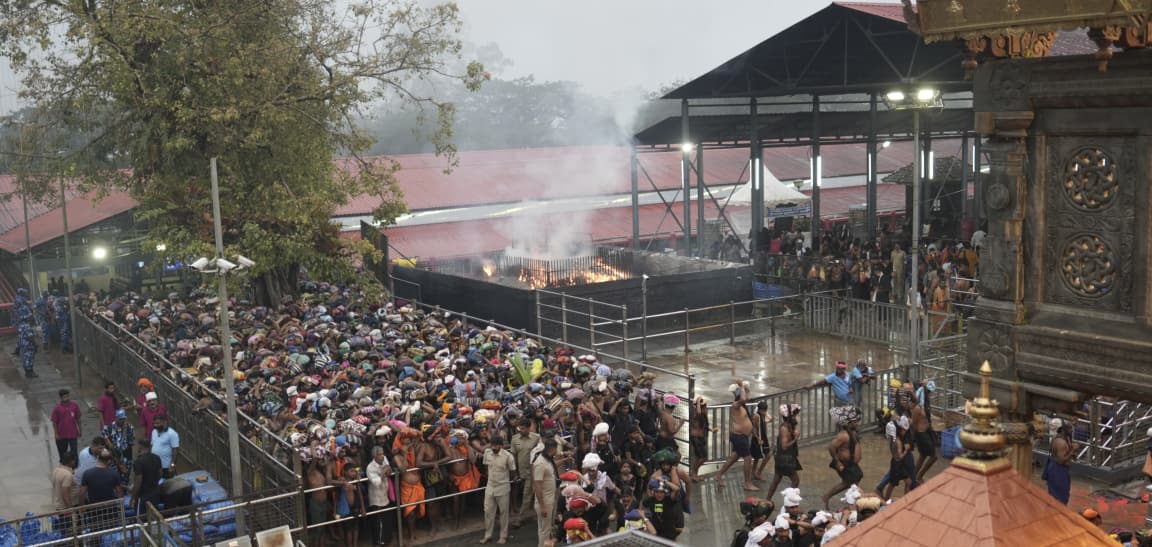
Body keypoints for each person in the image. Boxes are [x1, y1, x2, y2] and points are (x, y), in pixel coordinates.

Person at [715, 381, 759, 491]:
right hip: (738, 436)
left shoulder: (741, 405)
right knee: (748, 458)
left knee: (734, 458)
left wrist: (745, 387)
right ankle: (747, 484)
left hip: (741, 436)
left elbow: (745, 397)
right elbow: (743, 399)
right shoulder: (735, 405)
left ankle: (718, 475)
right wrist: (741, 386)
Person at [821, 406, 863, 510]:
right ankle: (850, 503)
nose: (858, 424)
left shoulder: (853, 433)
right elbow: (831, 447)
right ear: (849, 423)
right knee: (851, 484)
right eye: (856, 422)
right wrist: (838, 462)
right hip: (844, 464)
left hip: (851, 463)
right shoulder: (843, 435)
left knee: (851, 481)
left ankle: (828, 497)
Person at [482, 434, 516, 544]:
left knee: (503, 513)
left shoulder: (508, 456)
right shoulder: (487, 453)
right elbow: (486, 467)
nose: (493, 448)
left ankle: (503, 536)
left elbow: (512, 472)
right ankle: (488, 535)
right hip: (490, 486)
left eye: (496, 446)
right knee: (488, 512)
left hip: (503, 487)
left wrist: (506, 481)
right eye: (492, 445)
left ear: (501, 446)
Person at [767, 404, 802, 497]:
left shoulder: (789, 426)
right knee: (795, 480)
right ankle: (789, 500)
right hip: (785, 459)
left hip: (785, 457)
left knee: (776, 480)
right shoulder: (784, 428)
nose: (795, 417)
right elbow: (784, 446)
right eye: (794, 415)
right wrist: (795, 439)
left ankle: (768, 499)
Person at [510, 418, 540, 529]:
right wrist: (515, 473)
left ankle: (520, 519)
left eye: (522, 428)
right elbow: (513, 457)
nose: (520, 430)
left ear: (528, 428)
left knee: (527, 495)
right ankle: (536, 513)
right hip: (521, 472)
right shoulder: (514, 439)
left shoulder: (536, 438)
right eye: (519, 428)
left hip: (535, 471)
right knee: (529, 494)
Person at [365, 445, 394, 547]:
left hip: (385, 496)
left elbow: (389, 470)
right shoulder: (370, 467)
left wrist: (387, 469)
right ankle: (378, 543)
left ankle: (387, 541)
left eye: (383, 454)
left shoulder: (384, 460)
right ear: (374, 456)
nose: (382, 456)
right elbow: (376, 482)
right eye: (380, 454)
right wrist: (383, 472)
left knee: (387, 522)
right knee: (378, 523)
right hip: (376, 499)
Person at [533, 438, 559, 547]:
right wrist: (543, 506)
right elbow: (537, 486)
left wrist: (565, 460)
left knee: (543, 528)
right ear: (552, 449)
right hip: (545, 501)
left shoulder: (547, 459)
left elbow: (550, 469)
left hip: (547, 499)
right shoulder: (541, 462)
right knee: (546, 530)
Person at [1043, 419, 1074, 505]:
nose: (1072, 430)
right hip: (1058, 471)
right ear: (1063, 429)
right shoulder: (1060, 442)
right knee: (1058, 498)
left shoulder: (1064, 439)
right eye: (1069, 428)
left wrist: (1071, 452)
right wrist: (1072, 452)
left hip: (1060, 470)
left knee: (1061, 495)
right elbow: (1061, 460)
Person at [102, 409, 135, 485]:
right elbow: (106, 443)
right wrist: (118, 462)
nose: (122, 421)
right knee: (113, 479)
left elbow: (131, 443)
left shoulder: (130, 428)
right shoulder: (108, 428)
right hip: (113, 458)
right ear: (116, 418)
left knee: (125, 478)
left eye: (123, 419)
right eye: (120, 419)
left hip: (126, 456)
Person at [130, 438, 163, 514]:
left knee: (142, 518)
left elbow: (138, 481)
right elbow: (160, 474)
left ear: (140, 447)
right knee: (154, 516)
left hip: (143, 496)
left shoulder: (138, 462)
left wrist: (133, 497)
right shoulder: (157, 458)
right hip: (155, 493)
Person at [909, 391, 936, 483]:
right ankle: (919, 476)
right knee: (933, 456)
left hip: (926, 432)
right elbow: (913, 424)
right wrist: (912, 440)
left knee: (923, 456)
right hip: (921, 434)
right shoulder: (917, 408)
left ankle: (914, 476)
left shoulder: (923, 406)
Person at [335, 465, 365, 547]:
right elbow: (337, 498)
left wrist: (362, 507)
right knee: (348, 530)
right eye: (351, 471)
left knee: (356, 528)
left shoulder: (355, 481)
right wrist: (335, 512)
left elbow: (360, 494)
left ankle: (355, 545)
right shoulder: (341, 482)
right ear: (345, 472)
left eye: (354, 471)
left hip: (355, 507)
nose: (354, 473)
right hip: (346, 509)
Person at [51, 388, 83, 459]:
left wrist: (80, 430)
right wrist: (56, 434)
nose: (66, 398)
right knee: (62, 454)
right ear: (61, 397)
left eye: (67, 396)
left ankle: (75, 466)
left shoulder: (74, 405)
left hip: (73, 434)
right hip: (61, 435)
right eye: (64, 397)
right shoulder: (57, 408)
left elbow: (78, 419)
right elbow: (54, 422)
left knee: (74, 452)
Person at [150, 414, 180, 478]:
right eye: (154, 423)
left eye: (158, 423)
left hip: (166, 467)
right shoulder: (154, 431)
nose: (156, 425)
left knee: (169, 485)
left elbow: (175, 451)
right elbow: (153, 445)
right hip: (156, 466)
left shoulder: (172, 433)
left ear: (164, 422)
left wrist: (172, 465)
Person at [689, 397, 711, 482]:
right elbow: (698, 412)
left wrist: (710, 429)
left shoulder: (703, 416)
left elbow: (702, 427)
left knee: (698, 457)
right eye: (705, 406)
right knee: (703, 458)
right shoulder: (697, 414)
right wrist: (698, 401)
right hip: (696, 438)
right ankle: (694, 473)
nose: (706, 408)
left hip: (700, 438)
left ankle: (695, 475)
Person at [752, 401, 772, 481]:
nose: (765, 412)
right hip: (758, 438)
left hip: (763, 437)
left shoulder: (763, 416)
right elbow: (753, 429)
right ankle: (757, 473)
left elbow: (770, 419)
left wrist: (766, 414)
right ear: (760, 410)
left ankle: (755, 473)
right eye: (764, 411)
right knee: (766, 455)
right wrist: (758, 439)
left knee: (758, 457)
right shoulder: (757, 416)